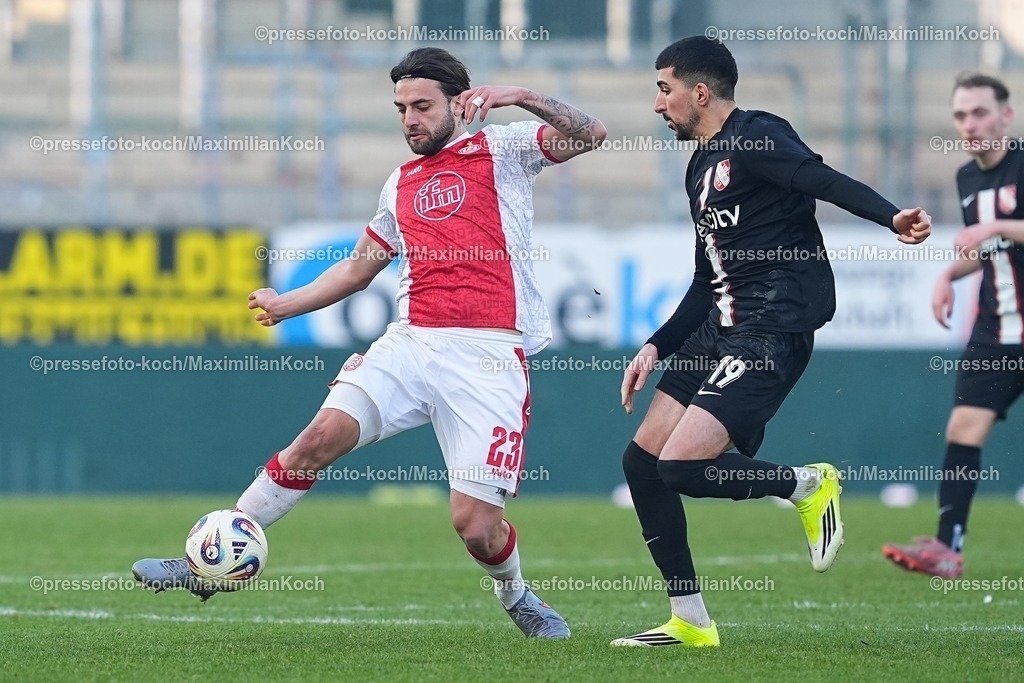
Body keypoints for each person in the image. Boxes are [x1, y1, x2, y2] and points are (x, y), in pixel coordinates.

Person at [132, 47, 606, 639]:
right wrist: (288, 302)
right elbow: (357, 270)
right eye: (401, 107)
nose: (409, 118)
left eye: (422, 106)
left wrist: (520, 95)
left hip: (486, 355)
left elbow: (592, 134)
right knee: (314, 440)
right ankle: (206, 564)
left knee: (475, 526)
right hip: (409, 343)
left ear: (461, 103)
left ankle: (517, 596)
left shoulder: (505, 148)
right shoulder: (400, 184)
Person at [611, 36, 932, 648]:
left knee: (681, 467)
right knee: (642, 464)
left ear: (699, 92)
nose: (659, 105)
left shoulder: (758, 135)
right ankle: (691, 621)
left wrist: (891, 216)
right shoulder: (699, 168)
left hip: (771, 326)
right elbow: (707, 281)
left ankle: (805, 485)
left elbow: (819, 179)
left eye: (664, 89)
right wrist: (655, 346)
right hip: (719, 327)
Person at [883, 73, 1024, 579]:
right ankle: (947, 548)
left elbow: (997, 234)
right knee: (964, 427)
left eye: (980, 112)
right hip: (997, 329)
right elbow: (989, 250)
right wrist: (948, 274)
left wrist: (998, 226)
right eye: (961, 115)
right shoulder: (967, 178)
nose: (970, 124)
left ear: (1006, 115)